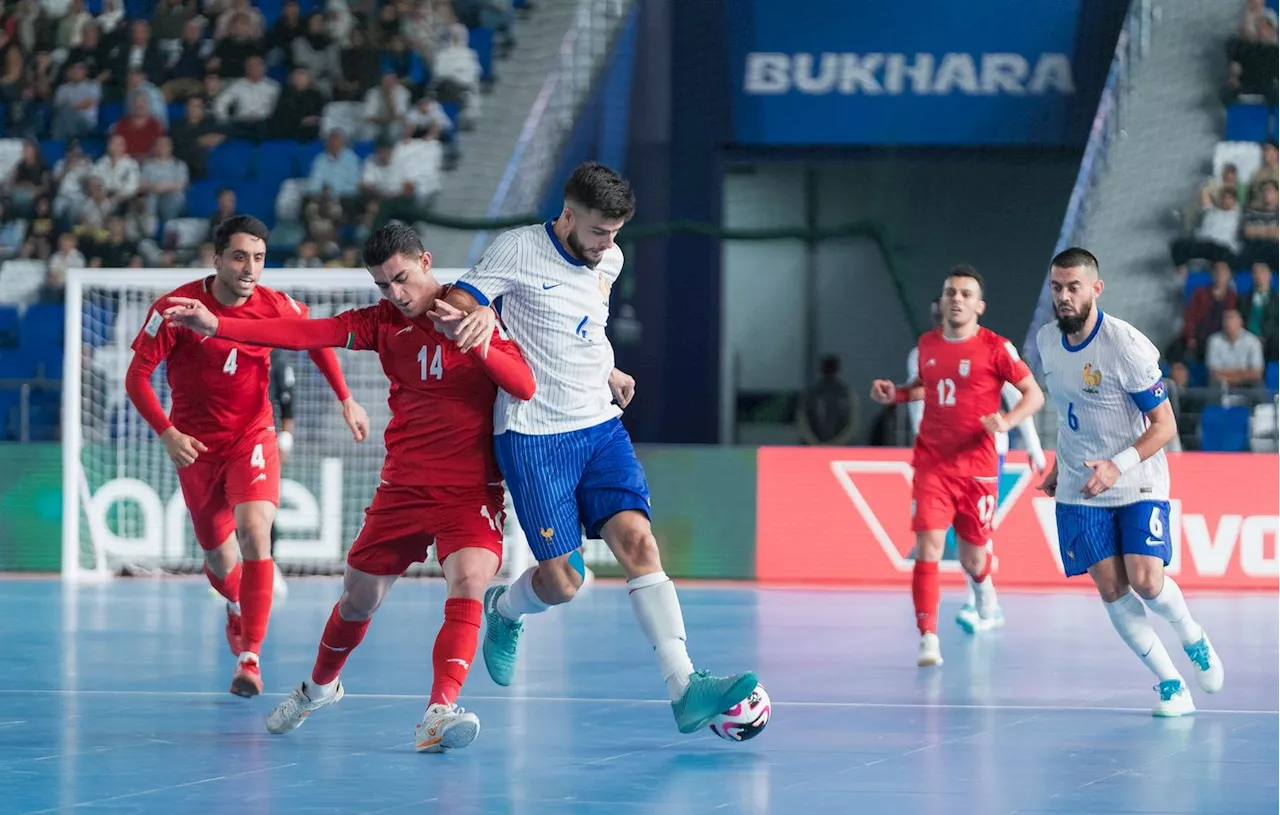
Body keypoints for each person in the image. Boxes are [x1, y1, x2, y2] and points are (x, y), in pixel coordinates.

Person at [163, 224, 537, 752]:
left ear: (426, 262)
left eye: (402, 279)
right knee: (358, 599)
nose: (397, 295)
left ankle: (439, 710)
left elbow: (524, 385)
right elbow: (306, 334)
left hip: (469, 488)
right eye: (383, 286)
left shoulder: (475, 314)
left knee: (471, 581)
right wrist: (219, 325)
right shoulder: (382, 322)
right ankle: (318, 687)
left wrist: (474, 346)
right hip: (403, 487)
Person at [430, 161, 759, 735]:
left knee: (639, 542)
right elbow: (450, 305)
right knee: (562, 583)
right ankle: (505, 609)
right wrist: (478, 309)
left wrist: (607, 369)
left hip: (599, 425)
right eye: (600, 231)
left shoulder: (611, 257)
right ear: (568, 215)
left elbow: (588, 324)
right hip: (535, 436)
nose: (610, 244)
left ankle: (684, 685)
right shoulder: (517, 249)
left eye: (617, 232)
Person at [125, 215, 369, 698]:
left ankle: (250, 658)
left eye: (258, 258)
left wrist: (345, 398)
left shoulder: (275, 305)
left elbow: (316, 339)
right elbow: (137, 377)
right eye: (239, 256)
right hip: (194, 448)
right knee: (219, 560)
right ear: (216, 259)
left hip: (251, 437)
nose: (250, 268)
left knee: (257, 532)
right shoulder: (175, 309)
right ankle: (236, 603)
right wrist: (167, 432)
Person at [1035, 247, 1224, 716]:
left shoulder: (1126, 346)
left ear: (1095, 289)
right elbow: (1069, 412)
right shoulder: (1046, 342)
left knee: (1147, 579)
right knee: (1111, 587)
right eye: (1057, 287)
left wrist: (1117, 465)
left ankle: (1192, 637)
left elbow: (1164, 425)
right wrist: (1061, 467)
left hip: (1136, 479)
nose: (1063, 296)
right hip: (1082, 487)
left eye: (1073, 287)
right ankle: (1170, 684)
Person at [870, 265, 1044, 668]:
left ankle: (984, 590)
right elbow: (923, 387)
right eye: (951, 292)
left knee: (972, 559)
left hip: (978, 468)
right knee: (928, 548)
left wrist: (1008, 422)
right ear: (943, 300)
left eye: (966, 293)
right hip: (932, 464)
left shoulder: (997, 348)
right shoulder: (927, 345)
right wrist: (894, 395)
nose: (957, 298)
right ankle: (928, 637)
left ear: (979, 306)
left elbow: (1033, 395)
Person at [906, 297, 1048, 633]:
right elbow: (917, 408)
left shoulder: (986, 349)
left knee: (976, 530)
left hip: (985, 451)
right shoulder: (921, 354)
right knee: (952, 533)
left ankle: (981, 602)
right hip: (941, 457)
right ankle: (982, 598)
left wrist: (1033, 446)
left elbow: (1018, 398)